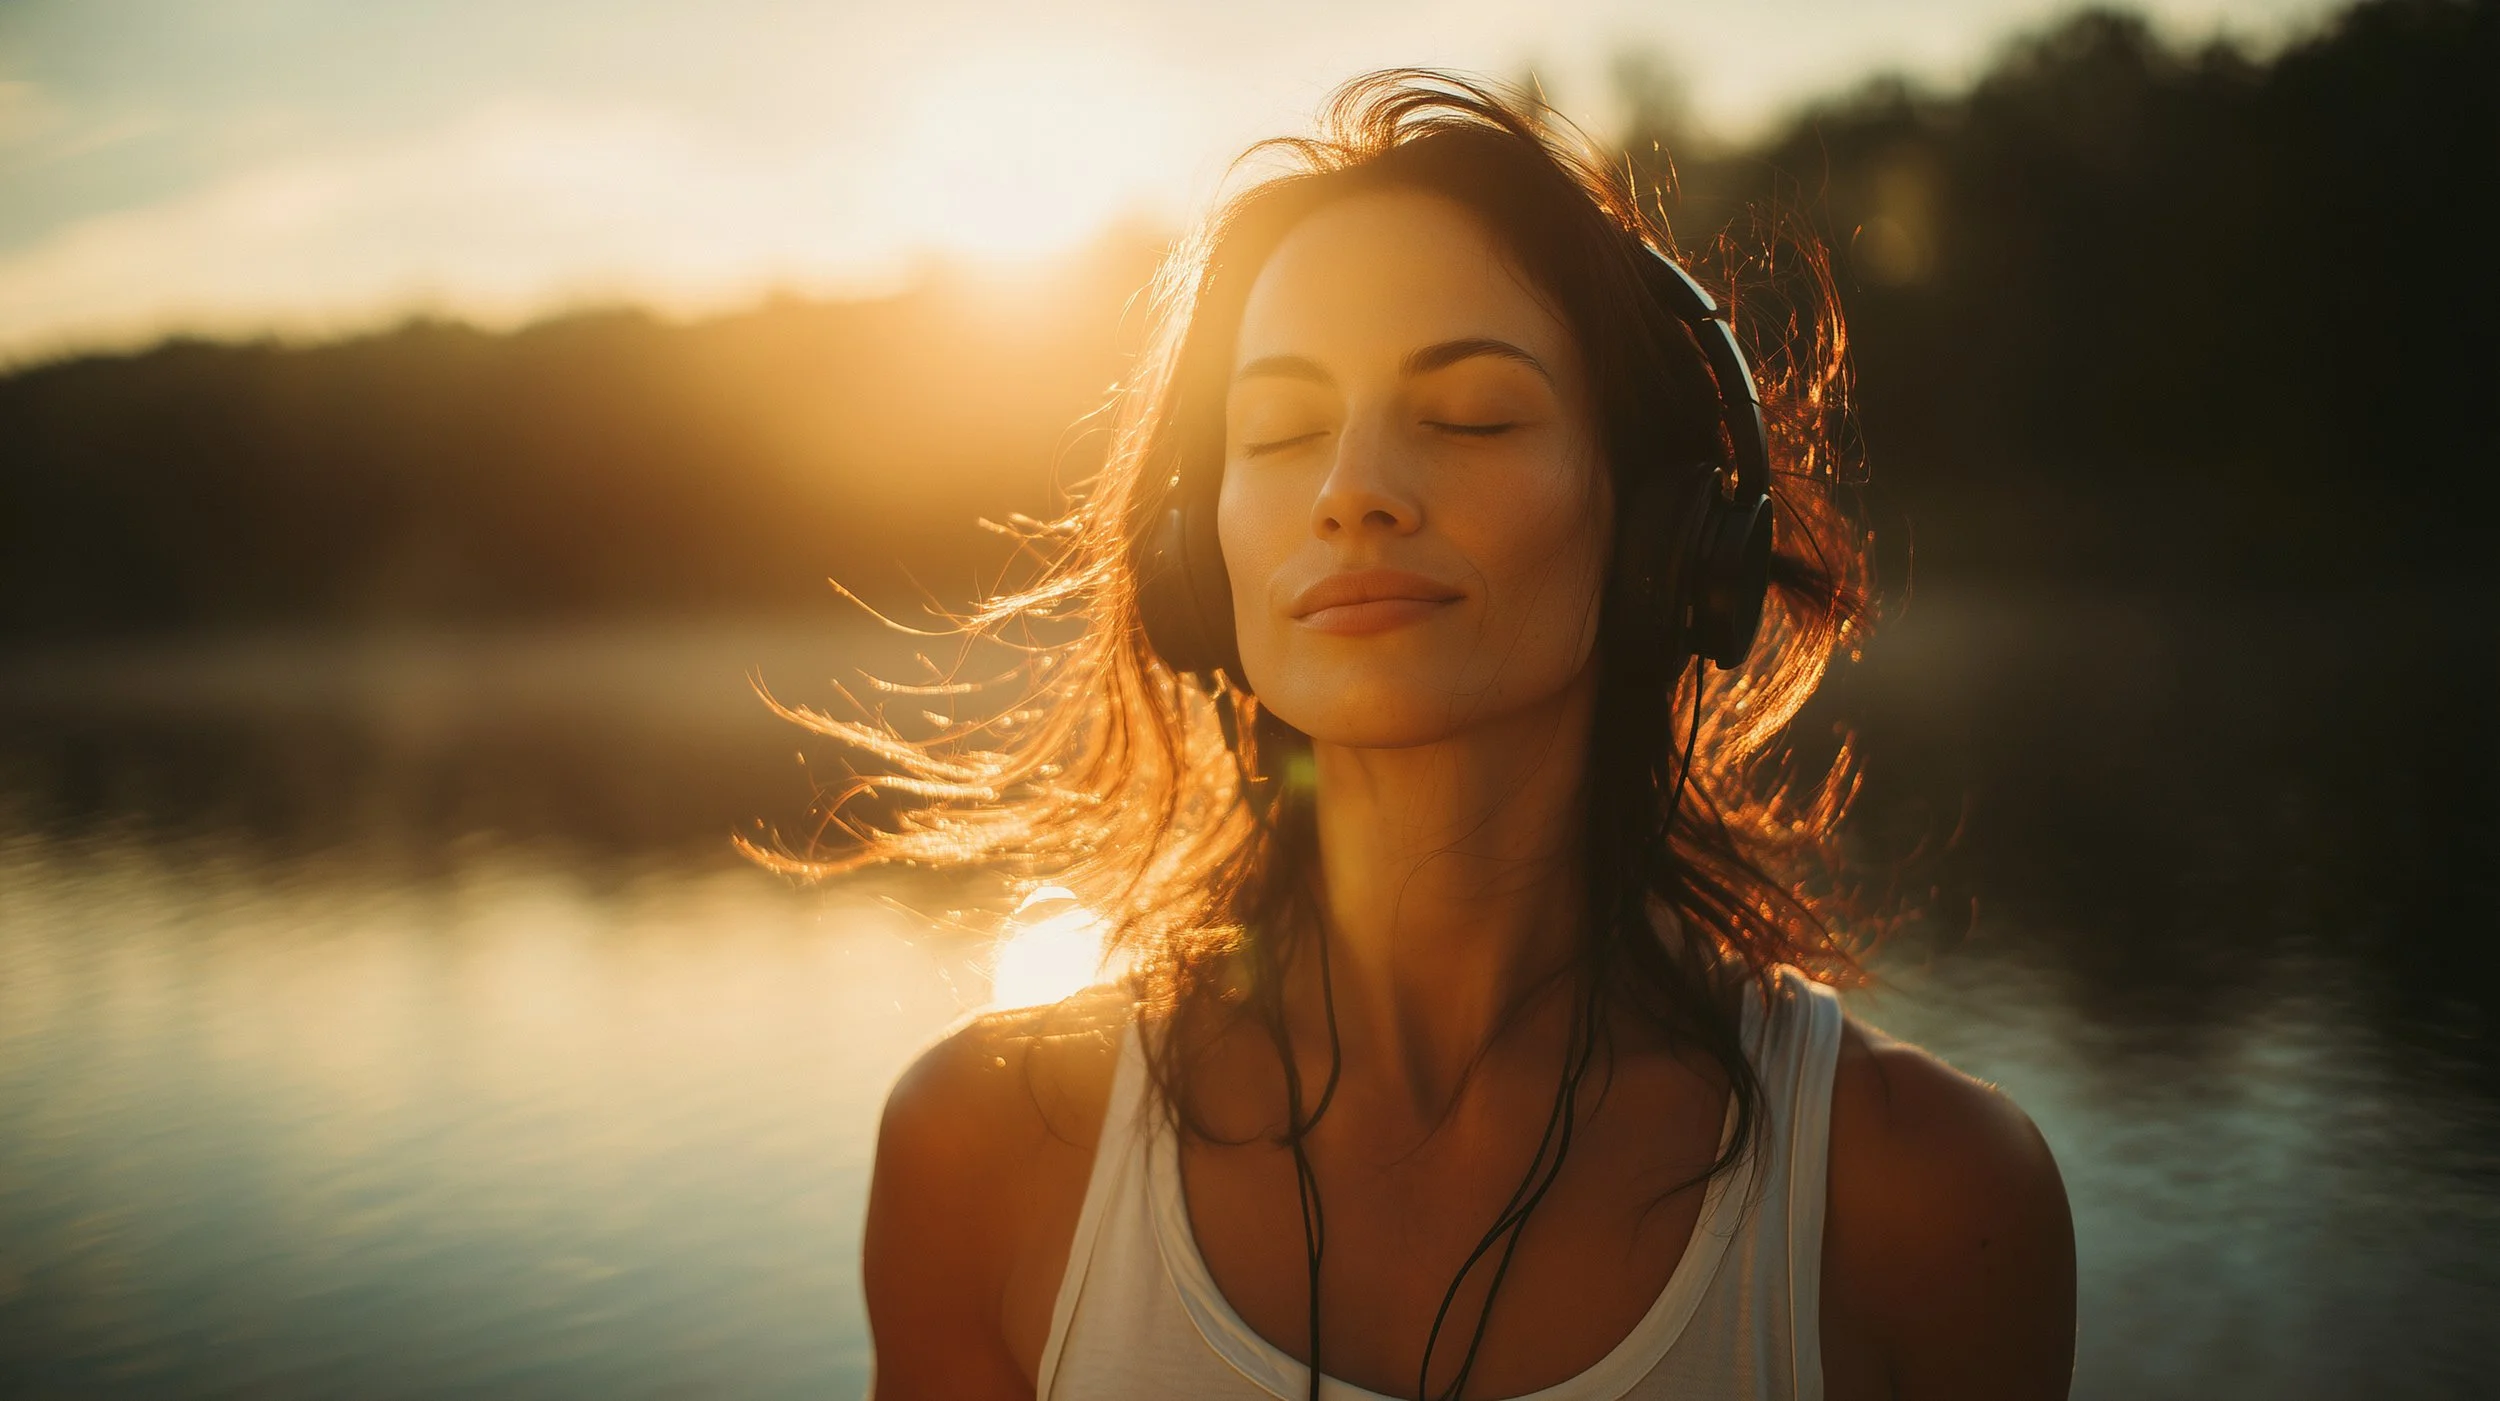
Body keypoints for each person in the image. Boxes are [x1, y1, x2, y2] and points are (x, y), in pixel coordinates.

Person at [811, 70, 2074, 1401]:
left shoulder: (1923, 1200)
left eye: (1472, 414)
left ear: (1663, 534)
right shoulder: (984, 1151)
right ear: (1196, 560)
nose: (1352, 492)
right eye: (1284, 429)